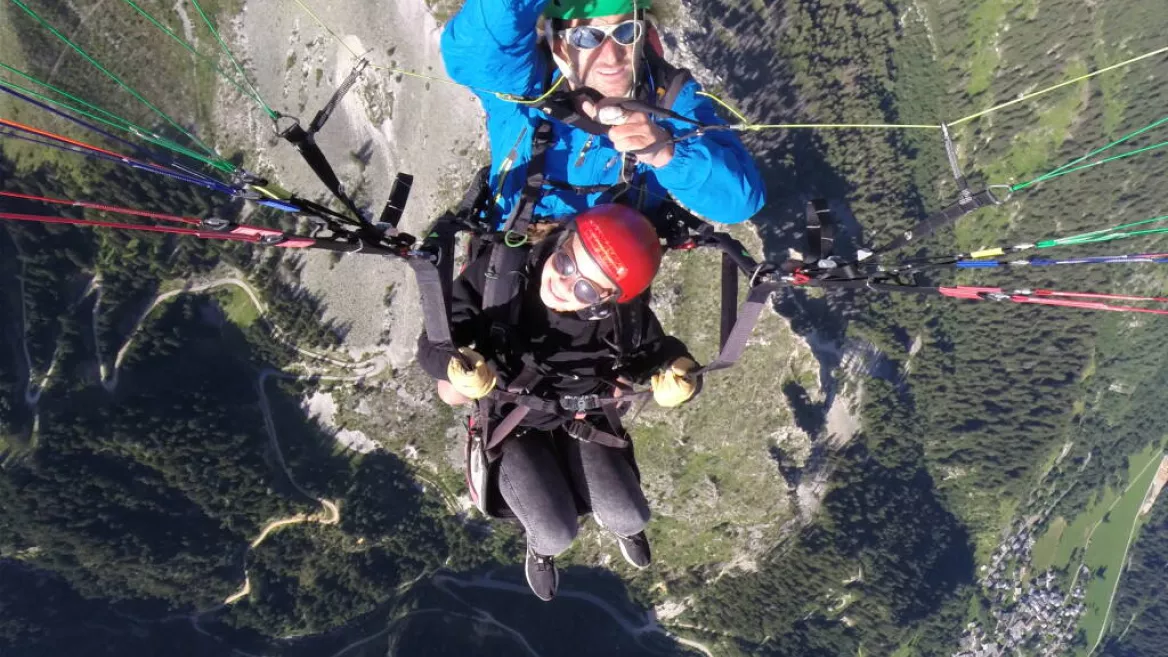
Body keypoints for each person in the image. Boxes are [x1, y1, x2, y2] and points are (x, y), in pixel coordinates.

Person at [416, 204, 700, 601]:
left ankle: (622, 526)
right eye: (565, 262)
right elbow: (435, 340)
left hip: (582, 416)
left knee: (632, 514)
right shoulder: (503, 276)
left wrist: (681, 371)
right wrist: (452, 364)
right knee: (555, 532)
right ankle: (541, 547)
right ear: (563, 240)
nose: (563, 284)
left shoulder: (624, 317)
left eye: (585, 290)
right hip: (515, 422)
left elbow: (655, 352)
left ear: (607, 299)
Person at [440, 0, 766, 227]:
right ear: (560, 46)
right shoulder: (526, 84)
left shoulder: (669, 98)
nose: (611, 56)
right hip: (511, 260)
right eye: (587, 36)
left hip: (607, 278)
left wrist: (668, 154)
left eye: (626, 32)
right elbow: (475, 48)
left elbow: (740, 202)